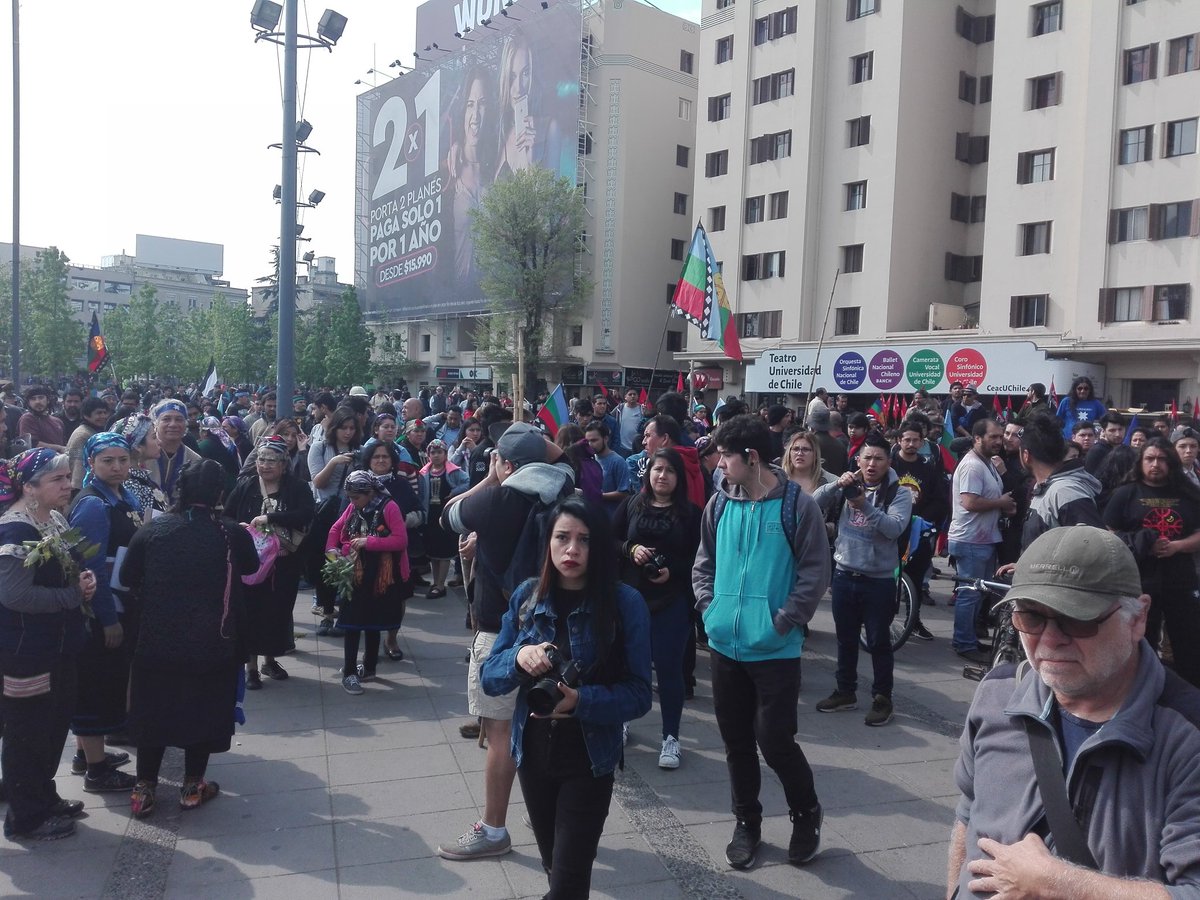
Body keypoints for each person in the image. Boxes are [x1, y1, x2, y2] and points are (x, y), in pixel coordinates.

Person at [948, 526, 1200, 898]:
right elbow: (968, 815)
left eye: (1077, 618)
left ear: (1138, 618)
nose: (1049, 639)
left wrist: (1060, 884)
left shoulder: (1186, 735)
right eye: (1031, 616)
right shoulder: (997, 694)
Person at [480, 496, 652, 897]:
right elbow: (490, 679)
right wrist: (519, 659)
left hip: (589, 760)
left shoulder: (625, 603)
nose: (572, 549)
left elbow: (640, 694)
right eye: (562, 538)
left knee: (568, 881)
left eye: (584, 540)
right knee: (553, 864)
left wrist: (580, 701)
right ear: (549, 543)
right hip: (533, 758)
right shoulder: (527, 597)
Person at [693, 414, 832, 869]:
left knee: (775, 740)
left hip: (775, 649)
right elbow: (704, 564)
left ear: (750, 458)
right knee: (735, 742)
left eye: (725, 458)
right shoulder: (718, 505)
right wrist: (708, 608)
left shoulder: (797, 505)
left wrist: (785, 620)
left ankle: (805, 812)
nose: (719, 466)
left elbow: (815, 571)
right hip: (724, 646)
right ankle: (746, 823)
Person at [437, 422, 574, 861]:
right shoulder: (567, 491)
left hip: (502, 632)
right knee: (541, 724)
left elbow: (449, 515)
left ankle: (494, 830)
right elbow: (560, 455)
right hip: (552, 631)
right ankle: (543, 808)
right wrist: (531, 440)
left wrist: (493, 475)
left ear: (507, 463)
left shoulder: (494, 499)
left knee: (499, 735)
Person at [120, 459, 259, 818]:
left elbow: (127, 575)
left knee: (154, 710)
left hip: (156, 640)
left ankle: (144, 787)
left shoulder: (154, 531)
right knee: (205, 709)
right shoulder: (230, 532)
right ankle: (192, 785)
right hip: (212, 641)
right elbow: (251, 567)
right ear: (219, 493)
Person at [0, 450, 96, 840]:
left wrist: (85, 580)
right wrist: (73, 596)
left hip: (58, 645)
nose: (67, 484)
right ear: (29, 487)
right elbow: (15, 596)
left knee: (53, 727)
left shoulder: (53, 518)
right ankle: (26, 817)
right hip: (27, 652)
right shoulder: (14, 531)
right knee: (27, 733)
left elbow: (71, 563)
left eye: (66, 476)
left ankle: (43, 795)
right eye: (56, 479)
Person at [813, 434, 912, 726]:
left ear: (888, 462)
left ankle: (883, 698)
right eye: (867, 458)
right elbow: (813, 502)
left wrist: (863, 505)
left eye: (878, 458)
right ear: (858, 461)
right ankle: (846, 691)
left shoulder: (899, 493)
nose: (872, 464)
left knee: (879, 642)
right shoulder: (849, 484)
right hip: (844, 575)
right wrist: (837, 484)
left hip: (878, 580)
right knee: (845, 640)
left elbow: (893, 528)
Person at [613, 449, 700, 769]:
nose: (662, 475)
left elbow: (700, 558)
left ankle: (671, 737)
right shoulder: (632, 504)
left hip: (672, 601)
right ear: (647, 473)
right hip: (631, 599)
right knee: (626, 666)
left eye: (670, 471)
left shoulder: (692, 513)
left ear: (679, 478)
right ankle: (622, 721)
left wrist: (672, 570)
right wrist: (630, 548)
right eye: (657, 469)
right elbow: (609, 540)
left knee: (668, 670)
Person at [67, 434, 144, 794]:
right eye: (107, 461)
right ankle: (97, 771)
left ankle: (86, 756)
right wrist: (108, 618)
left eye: (122, 460)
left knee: (103, 683)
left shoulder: (120, 495)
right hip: (103, 610)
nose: (117, 467)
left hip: (120, 600)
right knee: (97, 687)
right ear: (91, 463)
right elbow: (90, 566)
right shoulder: (93, 504)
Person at [1104, 437, 1200, 687]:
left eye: (1161, 459)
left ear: (1171, 462)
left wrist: (1177, 546)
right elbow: (1108, 532)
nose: (1155, 464)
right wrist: (1141, 543)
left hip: (1181, 579)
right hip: (1138, 581)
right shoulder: (1126, 493)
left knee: (1188, 640)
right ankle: (1140, 689)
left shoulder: (1188, 494)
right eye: (1149, 458)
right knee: (1139, 640)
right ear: (1141, 461)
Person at [226, 436, 315, 690]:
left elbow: (307, 513)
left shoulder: (296, 487)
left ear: (284, 464)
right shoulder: (245, 486)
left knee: (276, 613)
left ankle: (270, 659)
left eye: (272, 460)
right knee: (251, 612)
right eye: (261, 459)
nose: (265, 465)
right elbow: (227, 516)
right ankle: (251, 667)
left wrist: (271, 517)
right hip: (252, 564)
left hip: (284, 563)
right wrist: (241, 528)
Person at [326, 470, 411, 695]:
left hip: (381, 575)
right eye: (351, 497)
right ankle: (350, 672)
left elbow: (400, 540)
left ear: (369, 492)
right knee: (352, 624)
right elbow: (336, 528)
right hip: (355, 572)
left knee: (373, 623)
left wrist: (368, 542)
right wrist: (332, 552)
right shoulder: (355, 506)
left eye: (356, 497)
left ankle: (370, 667)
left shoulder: (389, 507)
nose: (352, 502)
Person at [948, 420, 1016, 663]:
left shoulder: (986, 463)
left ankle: (969, 639)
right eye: (994, 437)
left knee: (979, 593)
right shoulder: (972, 467)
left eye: (1001, 437)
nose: (1000, 441)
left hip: (983, 539)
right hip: (970, 540)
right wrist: (1001, 504)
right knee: (969, 594)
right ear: (977, 438)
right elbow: (969, 502)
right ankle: (964, 643)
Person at [358, 438, 422, 661]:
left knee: (398, 598)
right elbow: (344, 515)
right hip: (364, 553)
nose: (381, 460)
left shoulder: (400, 484)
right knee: (368, 601)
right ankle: (370, 645)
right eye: (376, 457)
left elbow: (418, 512)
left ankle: (392, 638)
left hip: (396, 554)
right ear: (368, 460)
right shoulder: (358, 482)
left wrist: (402, 523)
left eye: (385, 457)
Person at [1015, 412, 1104, 554]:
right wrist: (1025, 565)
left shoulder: (1066, 492)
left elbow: (1095, 550)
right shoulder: (1047, 487)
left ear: (1026, 456)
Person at [419, 439, 468, 598]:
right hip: (430, 515)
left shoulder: (453, 471)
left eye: (440, 452)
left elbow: (467, 482)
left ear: (446, 454)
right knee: (433, 551)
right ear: (428, 455)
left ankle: (441, 585)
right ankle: (435, 581)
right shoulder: (424, 472)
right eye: (433, 452)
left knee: (445, 551)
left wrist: (455, 492)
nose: (436, 455)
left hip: (445, 514)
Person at [148, 400, 201, 509]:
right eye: (166, 419)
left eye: (179, 419)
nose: (173, 424)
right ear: (155, 424)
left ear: (185, 425)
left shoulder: (194, 460)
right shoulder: (143, 456)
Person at [116, 413, 166, 521]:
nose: (159, 442)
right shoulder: (131, 484)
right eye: (154, 437)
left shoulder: (139, 478)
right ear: (138, 445)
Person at [584, 420, 631, 516]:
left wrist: (599, 496)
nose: (590, 444)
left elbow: (624, 493)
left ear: (605, 439)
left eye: (594, 440)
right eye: (587, 441)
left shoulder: (618, 462)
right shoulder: (589, 460)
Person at [66, 398, 112, 492]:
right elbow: (77, 469)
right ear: (86, 415)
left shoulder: (94, 431)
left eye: (104, 412)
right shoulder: (83, 435)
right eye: (99, 413)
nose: (103, 416)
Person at [781, 430, 837, 495]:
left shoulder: (830, 481)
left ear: (815, 454)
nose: (800, 453)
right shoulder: (779, 479)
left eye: (805, 449)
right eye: (796, 449)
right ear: (789, 452)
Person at [1055, 376, 1107, 440]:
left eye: (1086, 388)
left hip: (1087, 440)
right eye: (1079, 388)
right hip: (1068, 440)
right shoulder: (1066, 401)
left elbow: (1106, 420)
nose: (1083, 391)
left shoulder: (1096, 403)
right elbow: (1057, 420)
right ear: (1075, 389)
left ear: (1090, 390)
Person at [18, 386, 66, 453]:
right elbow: (32, 444)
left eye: (41, 397)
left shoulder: (58, 421)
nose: (37, 401)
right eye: (33, 399)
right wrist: (60, 448)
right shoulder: (27, 418)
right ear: (28, 402)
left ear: (48, 400)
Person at [806, 407, 848, 476]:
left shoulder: (810, 443)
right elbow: (845, 469)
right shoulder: (840, 445)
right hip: (836, 483)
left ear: (812, 427)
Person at [615, 388, 644, 456]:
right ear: (625, 397)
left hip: (637, 447)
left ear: (638, 396)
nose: (632, 396)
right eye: (630, 394)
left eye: (634, 394)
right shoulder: (619, 408)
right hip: (622, 447)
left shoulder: (642, 409)